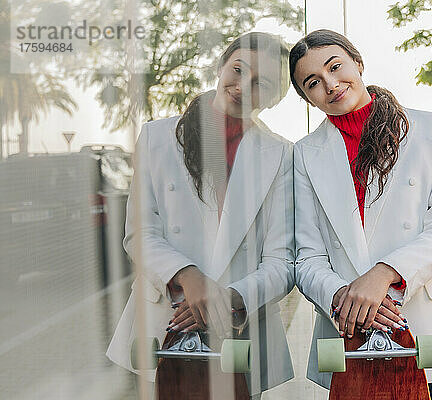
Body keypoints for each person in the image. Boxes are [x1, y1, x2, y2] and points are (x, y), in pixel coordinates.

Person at [290, 29, 432, 399]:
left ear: (357, 62)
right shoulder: (305, 154)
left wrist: (385, 275)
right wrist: (346, 297)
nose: (331, 84)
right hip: (350, 329)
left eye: (336, 67)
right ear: (308, 99)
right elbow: (306, 257)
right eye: (314, 82)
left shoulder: (429, 128)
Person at [106, 32, 295, 399]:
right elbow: (140, 234)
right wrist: (189, 278)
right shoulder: (157, 137)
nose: (242, 86)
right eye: (237, 70)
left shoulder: (280, 156)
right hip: (163, 322)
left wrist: (226, 298)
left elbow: (282, 261)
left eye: (261, 84)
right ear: (221, 66)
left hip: (241, 331)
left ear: (273, 100)